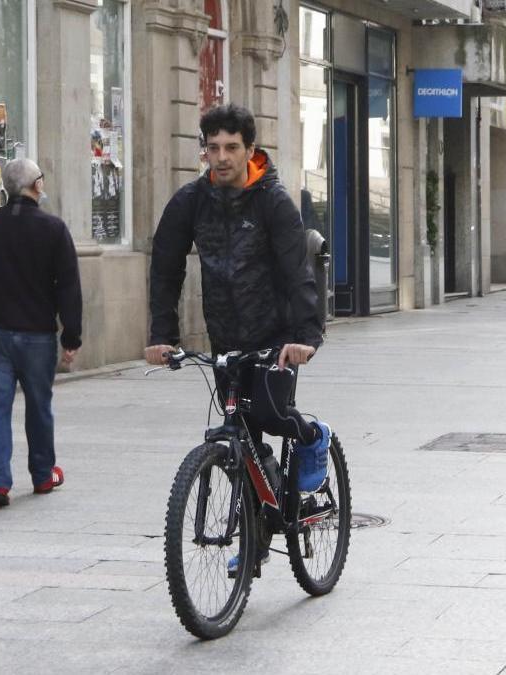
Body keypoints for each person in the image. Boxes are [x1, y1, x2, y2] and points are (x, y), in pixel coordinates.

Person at [145, 104, 329, 571]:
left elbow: (298, 272)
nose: (221, 157)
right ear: (203, 150)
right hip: (226, 337)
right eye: (213, 148)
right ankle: (256, 538)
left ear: (250, 150)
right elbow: (165, 268)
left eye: (231, 148)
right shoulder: (191, 201)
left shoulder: (273, 201)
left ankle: (313, 436)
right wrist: (162, 334)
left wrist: (305, 335)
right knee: (240, 437)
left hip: (276, 336)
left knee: (269, 415)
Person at [0, 159, 82, 507]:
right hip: (37, 335)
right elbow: (68, 288)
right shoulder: (53, 229)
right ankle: (43, 475)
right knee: (39, 406)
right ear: (37, 186)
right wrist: (70, 337)